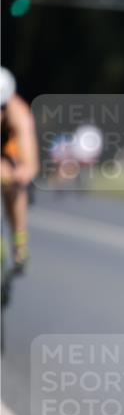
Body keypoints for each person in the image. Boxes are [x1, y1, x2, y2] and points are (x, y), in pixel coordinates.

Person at [1, 67, 39, 273]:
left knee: (14, 185)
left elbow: (29, 162)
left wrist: (23, 173)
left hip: (9, 151)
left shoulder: (20, 114)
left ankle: (19, 242)